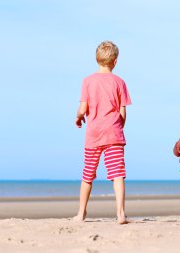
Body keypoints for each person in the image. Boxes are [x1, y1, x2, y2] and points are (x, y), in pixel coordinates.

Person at [73, 41, 132, 224]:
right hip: (113, 134)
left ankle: (81, 213)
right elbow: (122, 112)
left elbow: (83, 108)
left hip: (94, 134)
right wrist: (119, 126)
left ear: (96, 59)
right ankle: (121, 213)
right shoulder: (119, 82)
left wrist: (78, 117)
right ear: (115, 61)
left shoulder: (88, 81)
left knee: (88, 174)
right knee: (117, 174)